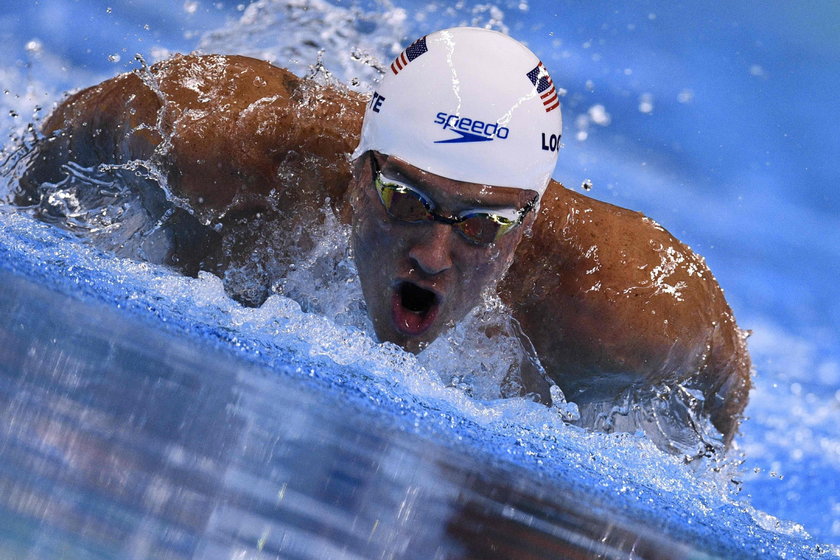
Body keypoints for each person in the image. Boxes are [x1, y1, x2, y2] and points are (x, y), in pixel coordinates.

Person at [13, 28, 751, 454]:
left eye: (481, 225)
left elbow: (724, 394)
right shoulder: (221, 149)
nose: (432, 256)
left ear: (524, 225)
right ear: (359, 174)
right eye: (404, 198)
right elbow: (59, 144)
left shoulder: (618, 306)